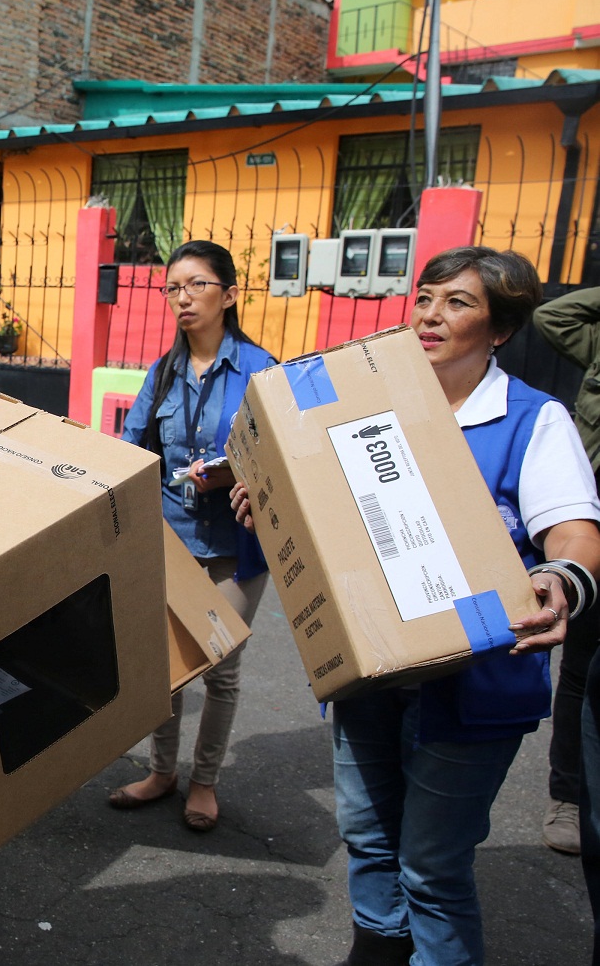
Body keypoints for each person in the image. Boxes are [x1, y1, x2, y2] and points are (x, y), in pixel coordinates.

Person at [233, 247, 600, 966]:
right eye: (426, 297)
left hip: (474, 684)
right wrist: (270, 502)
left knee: (431, 868)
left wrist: (560, 577)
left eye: (458, 302)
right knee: (368, 839)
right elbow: (329, 521)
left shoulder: (532, 419)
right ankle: (375, 951)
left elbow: (576, 533)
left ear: (498, 329)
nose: (432, 315)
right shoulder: (369, 408)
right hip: (371, 671)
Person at [106, 239, 275, 833]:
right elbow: (133, 447)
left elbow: (283, 459)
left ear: (229, 295)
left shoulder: (262, 370)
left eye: (196, 285)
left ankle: (204, 781)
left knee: (220, 665)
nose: (182, 298)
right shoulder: (163, 371)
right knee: (165, 660)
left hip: (237, 545)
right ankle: (162, 771)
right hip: (168, 536)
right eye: (173, 288)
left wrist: (239, 473)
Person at [532, 285, 600, 856]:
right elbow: (555, 314)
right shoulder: (596, 338)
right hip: (585, 527)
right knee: (580, 673)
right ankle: (570, 795)